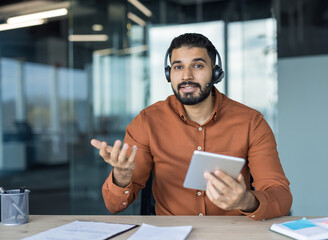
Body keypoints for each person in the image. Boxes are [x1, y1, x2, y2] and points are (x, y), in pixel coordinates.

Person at [91, 33, 292, 220]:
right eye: (178, 67)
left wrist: (246, 201)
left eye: (197, 66)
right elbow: (114, 205)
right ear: (169, 73)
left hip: (231, 235)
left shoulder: (251, 123)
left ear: (215, 72)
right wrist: (122, 176)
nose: (186, 76)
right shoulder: (147, 122)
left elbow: (281, 196)